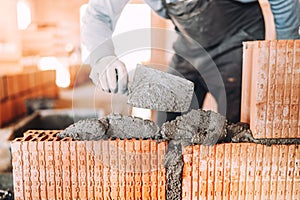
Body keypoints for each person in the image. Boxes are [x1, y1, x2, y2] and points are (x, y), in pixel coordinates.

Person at [81, 0, 299, 125]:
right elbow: (97, 14)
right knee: (167, 124)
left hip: (238, 39)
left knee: (238, 129)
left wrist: (284, 56)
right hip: (190, 44)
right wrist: (103, 58)